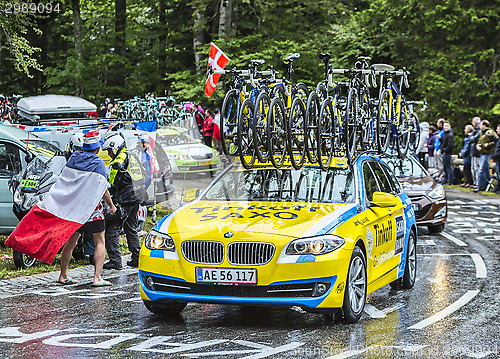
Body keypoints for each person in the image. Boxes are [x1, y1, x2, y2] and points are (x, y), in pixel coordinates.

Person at [59, 131, 117, 286]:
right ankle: (97, 277)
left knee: (71, 241)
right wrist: (111, 205)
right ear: (97, 148)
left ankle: (63, 274)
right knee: (100, 241)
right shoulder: (98, 163)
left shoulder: (74, 158)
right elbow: (102, 188)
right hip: (92, 209)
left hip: (75, 209)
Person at [102, 133, 143, 269]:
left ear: (115, 147)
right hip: (135, 199)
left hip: (123, 201)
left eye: (109, 151)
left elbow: (112, 185)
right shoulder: (133, 156)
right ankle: (136, 257)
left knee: (112, 230)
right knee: (131, 227)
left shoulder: (118, 162)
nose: (109, 154)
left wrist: (110, 198)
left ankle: (115, 260)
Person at [474, 120, 498, 192]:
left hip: (487, 153)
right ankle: (487, 184)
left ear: (484, 125)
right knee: (486, 169)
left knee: (481, 170)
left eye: (481, 125)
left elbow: (496, 141)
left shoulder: (490, 132)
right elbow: (479, 141)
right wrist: (478, 145)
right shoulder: (482, 133)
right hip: (482, 152)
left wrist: (488, 145)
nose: (480, 126)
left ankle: (480, 186)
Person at [469, 116, 482, 188]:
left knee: (477, 168)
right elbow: (470, 138)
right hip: (473, 152)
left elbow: (473, 139)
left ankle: (478, 183)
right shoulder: (474, 130)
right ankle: (475, 182)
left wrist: (472, 138)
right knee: (473, 168)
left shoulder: (479, 131)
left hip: (477, 153)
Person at [440, 120, 454, 185]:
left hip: (447, 153)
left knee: (448, 167)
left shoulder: (450, 134)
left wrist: (445, 150)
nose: (446, 127)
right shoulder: (445, 133)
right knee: (445, 167)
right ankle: (445, 179)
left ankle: (450, 180)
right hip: (444, 152)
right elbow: (444, 142)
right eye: (445, 126)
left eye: (447, 126)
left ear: (450, 126)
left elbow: (450, 145)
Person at [493, 124, 500, 193]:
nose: (497, 130)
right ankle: (497, 188)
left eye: (498, 129)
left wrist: (497, 154)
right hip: (497, 158)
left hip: (499, 158)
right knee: (498, 173)